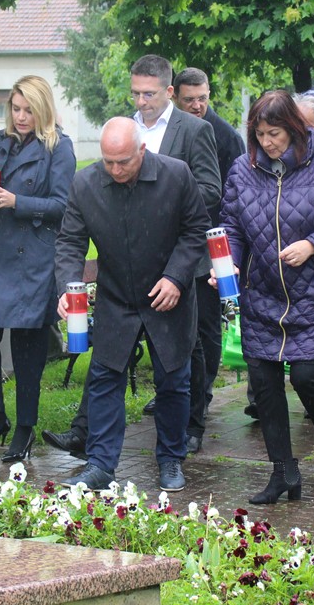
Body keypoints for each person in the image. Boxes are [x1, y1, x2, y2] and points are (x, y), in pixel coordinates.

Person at [41, 55, 220, 458]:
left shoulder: (190, 141)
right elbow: (70, 241)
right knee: (107, 372)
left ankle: (178, 447)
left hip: (173, 276)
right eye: (136, 93)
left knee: (177, 369)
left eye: (149, 93)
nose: (141, 101)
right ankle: (96, 454)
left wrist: (167, 209)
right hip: (120, 286)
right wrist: (68, 287)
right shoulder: (97, 169)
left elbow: (204, 205)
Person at [220, 90, 314, 504]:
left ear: (294, 128)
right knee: (264, 380)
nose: (267, 142)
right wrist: (229, 263)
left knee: (307, 376)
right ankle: (283, 472)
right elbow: (231, 225)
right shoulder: (242, 169)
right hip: (264, 292)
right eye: (260, 134)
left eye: (275, 133)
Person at [55, 117, 211, 492]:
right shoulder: (85, 183)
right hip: (116, 297)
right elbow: (70, 242)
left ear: (142, 150)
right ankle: (100, 464)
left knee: (173, 380)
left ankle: (171, 458)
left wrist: (176, 277)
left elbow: (196, 230)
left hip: (167, 295)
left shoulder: (176, 176)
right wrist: (67, 288)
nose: (115, 169)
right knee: (104, 379)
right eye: (108, 161)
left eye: (123, 161)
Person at [0, 76, 76, 462]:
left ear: (43, 109)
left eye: (29, 109)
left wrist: (17, 202)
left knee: (27, 345)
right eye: (16, 108)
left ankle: (25, 428)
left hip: (33, 257)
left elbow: (64, 206)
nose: (21, 116)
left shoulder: (59, 147)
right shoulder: (2, 141)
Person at [174, 67, 246, 450]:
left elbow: (235, 193)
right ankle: (181, 391)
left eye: (203, 98)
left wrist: (229, 247)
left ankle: (201, 395)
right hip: (175, 241)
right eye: (190, 100)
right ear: (176, 97)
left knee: (206, 326)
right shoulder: (171, 130)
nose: (198, 105)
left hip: (214, 242)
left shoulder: (226, 136)